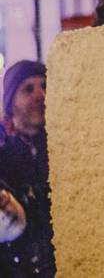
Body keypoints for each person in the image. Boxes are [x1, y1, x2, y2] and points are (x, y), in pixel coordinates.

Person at [0, 60, 55, 277]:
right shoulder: (3, 157)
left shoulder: (63, 151)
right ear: (10, 102)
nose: (41, 95)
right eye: (28, 89)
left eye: (44, 86)